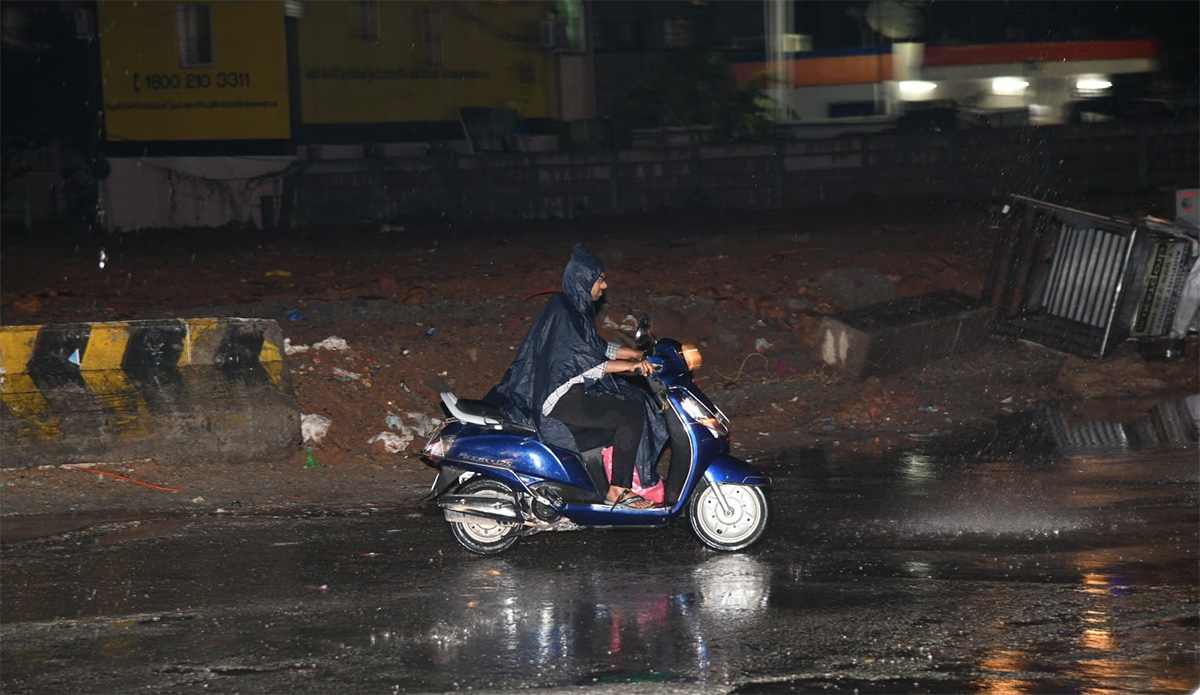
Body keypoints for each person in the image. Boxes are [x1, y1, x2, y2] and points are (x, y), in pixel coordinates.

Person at [485, 243, 668, 509]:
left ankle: (608, 475)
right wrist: (633, 368)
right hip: (560, 398)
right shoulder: (565, 312)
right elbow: (585, 363)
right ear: (584, 280)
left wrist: (635, 355)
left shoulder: (571, 308)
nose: (604, 286)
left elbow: (595, 347)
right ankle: (618, 490)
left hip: (569, 391)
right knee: (630, 412)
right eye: (600, 279)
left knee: (629, 398)